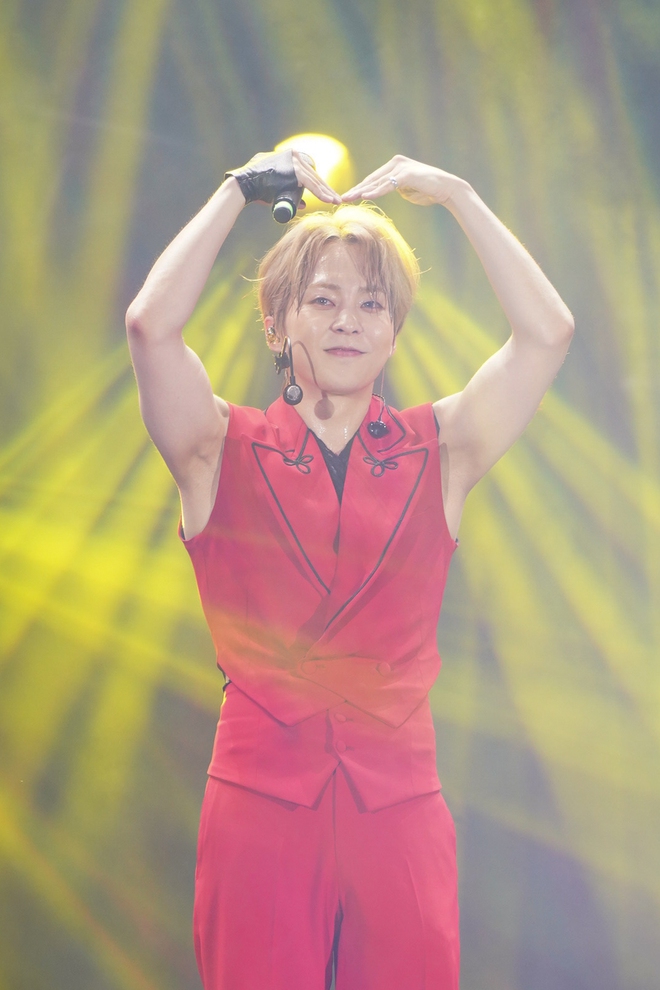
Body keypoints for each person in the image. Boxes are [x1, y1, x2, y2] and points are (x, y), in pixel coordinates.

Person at [126, 149, 573, 990]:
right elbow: (150, 326)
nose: (349, 321)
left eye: (372, 304)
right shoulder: (218, 448)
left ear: (394, 331)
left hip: (398, 804)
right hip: (260, 801)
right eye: (323, 300)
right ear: (277, 325)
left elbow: (548, 332)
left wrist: (459, 194)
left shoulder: (440, 449)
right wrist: (237, 190)